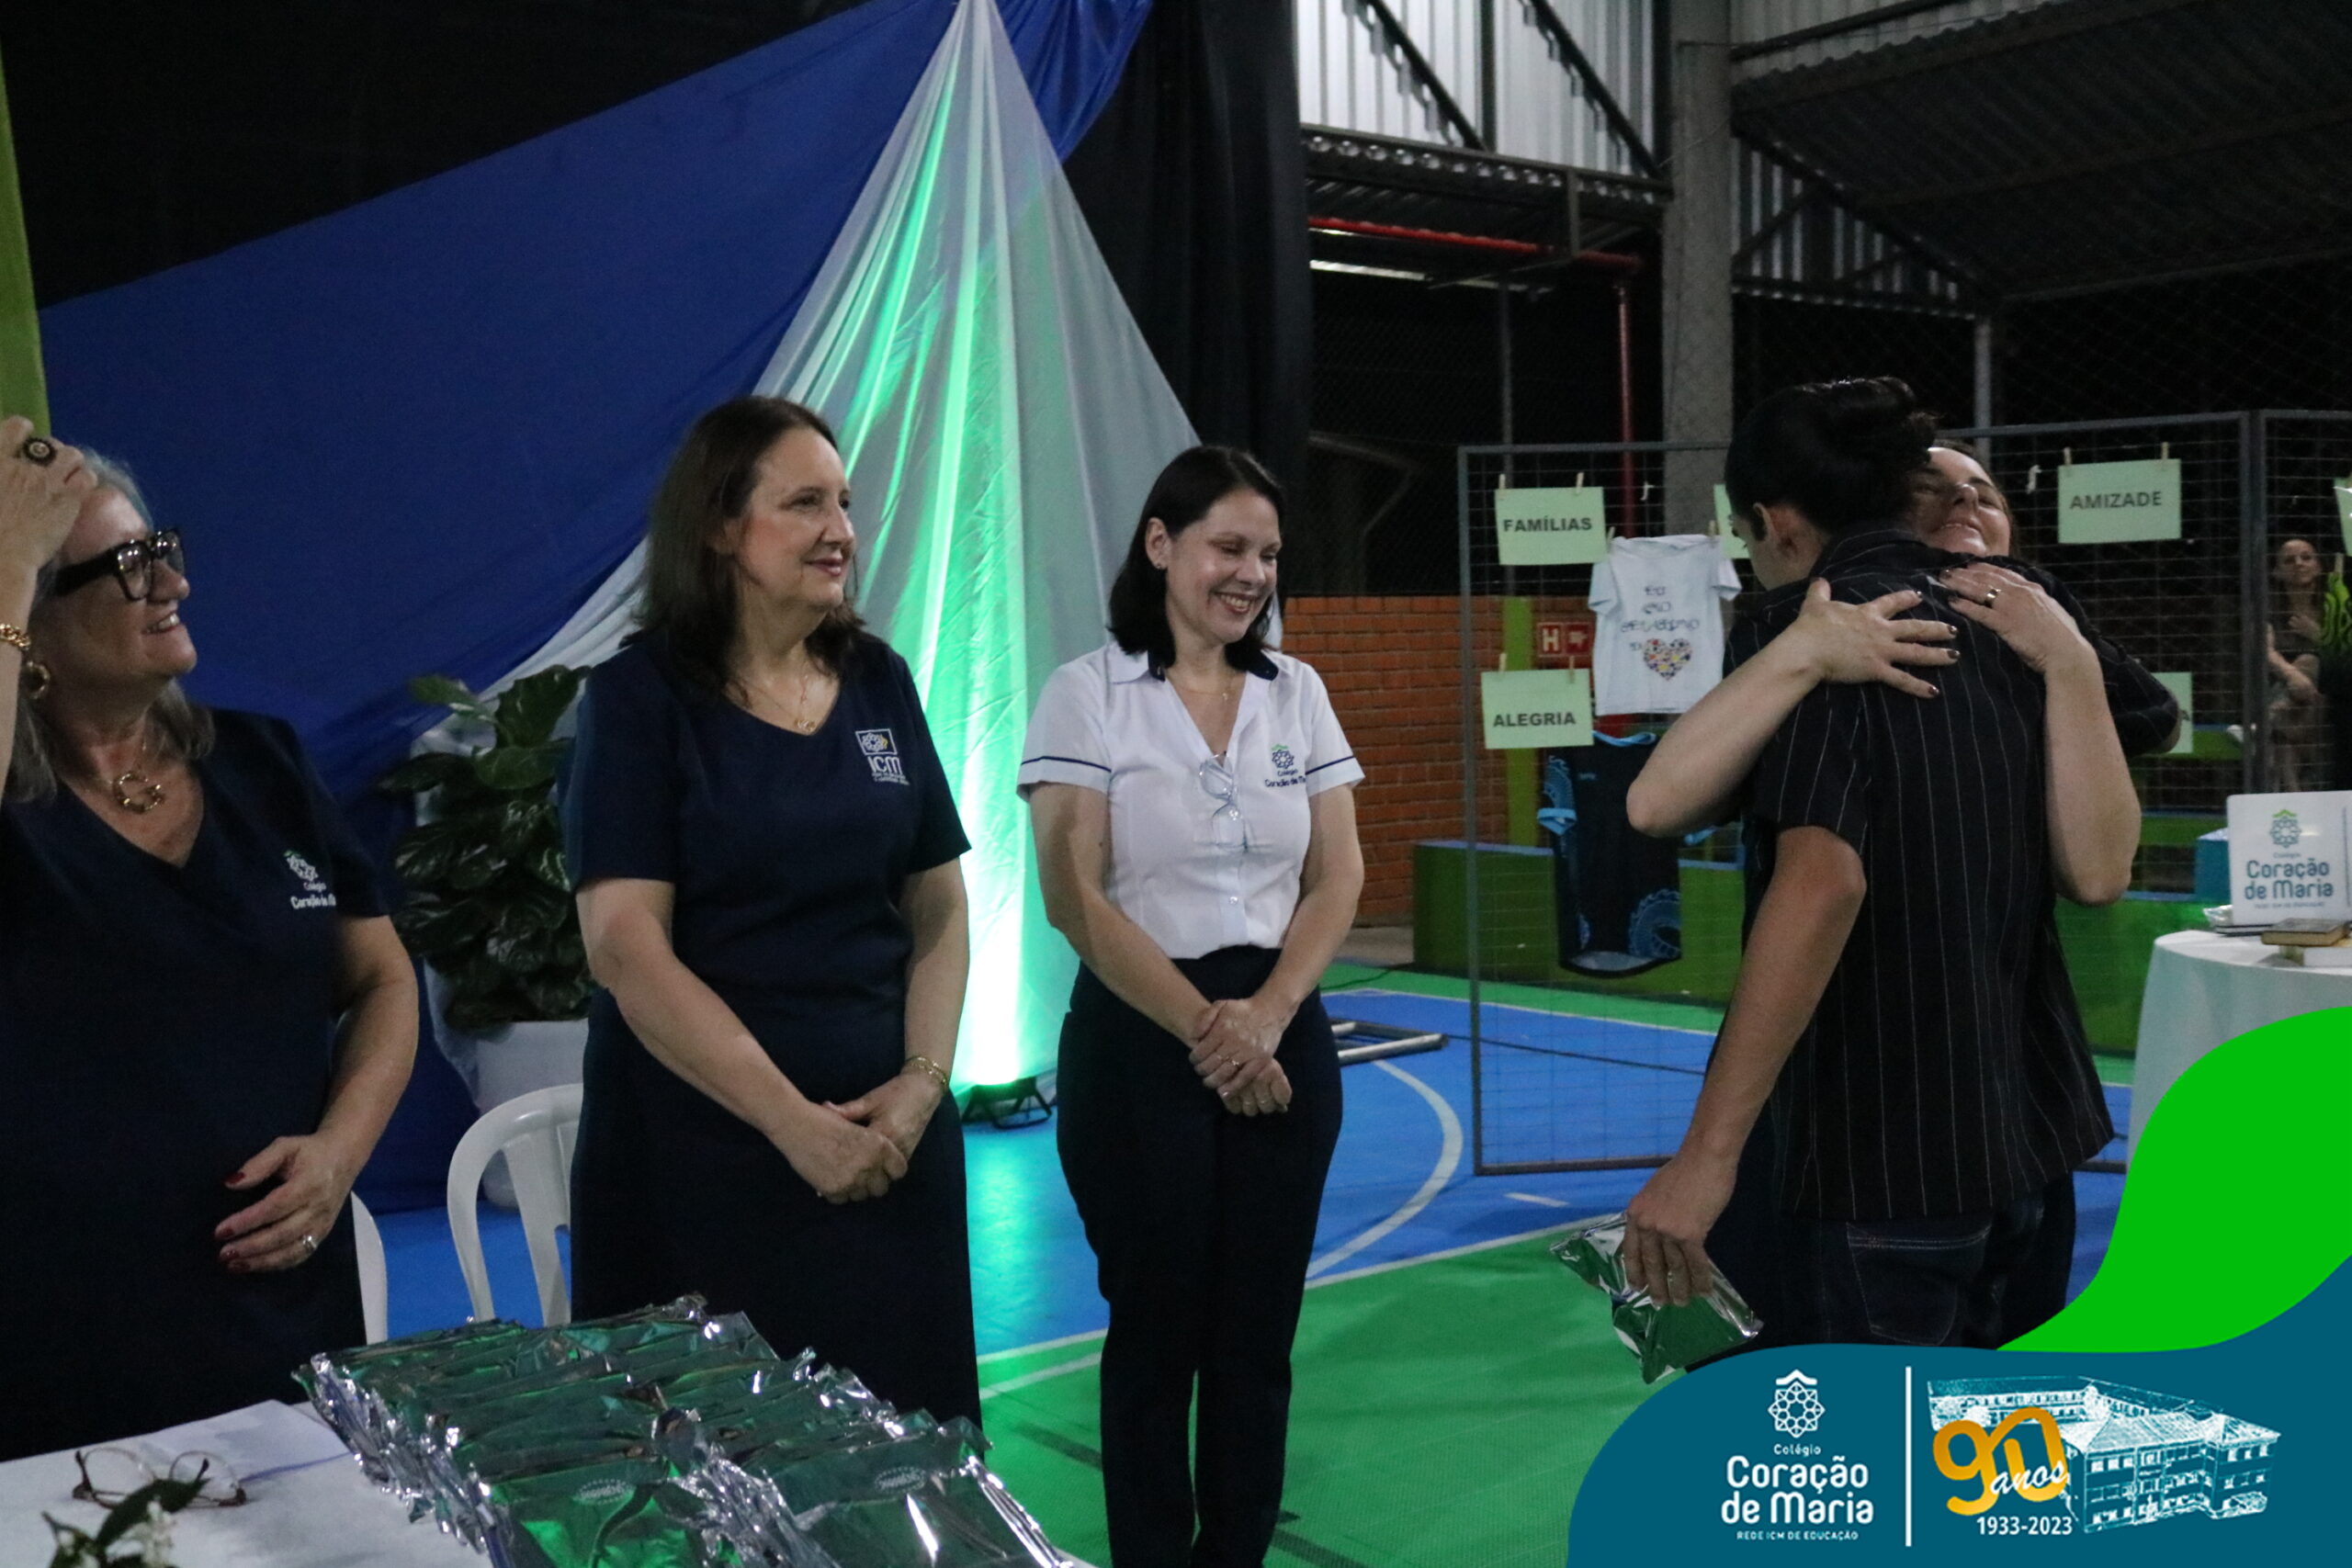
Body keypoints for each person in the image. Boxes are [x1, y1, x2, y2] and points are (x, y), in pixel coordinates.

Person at [1619, 380, 2132, 1351]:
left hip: (1885, 1157)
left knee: (1873, 1445)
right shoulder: (2023, 625)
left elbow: (1814, 878)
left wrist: (1707, 1157)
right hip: (2031, 1138)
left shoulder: (1822, 631)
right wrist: (2069, 663)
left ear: (1774, 522)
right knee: (1997, 1435)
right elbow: (2101, 872)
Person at [0, 419, 417, 1458]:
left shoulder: (263, 762)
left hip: (285, 1316)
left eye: (162, 549)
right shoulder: (18, 807)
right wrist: (4, 557)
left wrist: (339, 1154)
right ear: (30, 625)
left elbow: (381, 981)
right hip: (66, 1339)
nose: (172, 584)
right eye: (126, 567)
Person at [562, 395, 978, 1425]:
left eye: (844, 503)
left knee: (902, 1458)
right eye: (804, 504)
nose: (840, 531)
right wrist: (794, 1126)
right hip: (707, 1163)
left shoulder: (879, 681)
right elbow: (625, 946)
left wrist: (922, 1086)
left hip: (891, 1154)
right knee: (725, 1470)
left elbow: (939, 905)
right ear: (718, 525)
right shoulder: (638, 700)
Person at [1022, 446, 1363, 1568]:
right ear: (1161, 546)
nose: (1251, 573)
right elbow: (1073, 896)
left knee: (1256, 1337)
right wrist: (1212, 1032)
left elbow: (1339, 876)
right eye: (1227, 547)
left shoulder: (1297, 692)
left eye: (1267, 554)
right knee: (1156, 1333)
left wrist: (1267, 1015)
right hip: (1140, 1041)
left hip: (1280, 1029)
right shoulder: (1087, 692)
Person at [1628, 438, 2178, 839]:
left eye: (1986, 498)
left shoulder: (2048, 614)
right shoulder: (1808, 618)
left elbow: (2155, 719)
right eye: (1928, 488)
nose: (1965, 502)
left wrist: (2066, 663)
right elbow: (1690, 802)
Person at [2266, 536, 2329, 792]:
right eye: (2289, 560)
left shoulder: (2336, 607)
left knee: (2309, 661)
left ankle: (2264, 723)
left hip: (2330, 697)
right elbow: (2265, 650)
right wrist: (2293, 675)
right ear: (2277, 572)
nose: (2299, 564)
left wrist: (2320, 636)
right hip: (2290, 698)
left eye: (2306, 557)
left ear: (2319, 566)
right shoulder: (2269, 609)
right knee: (2304, 667)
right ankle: (2295, 794)